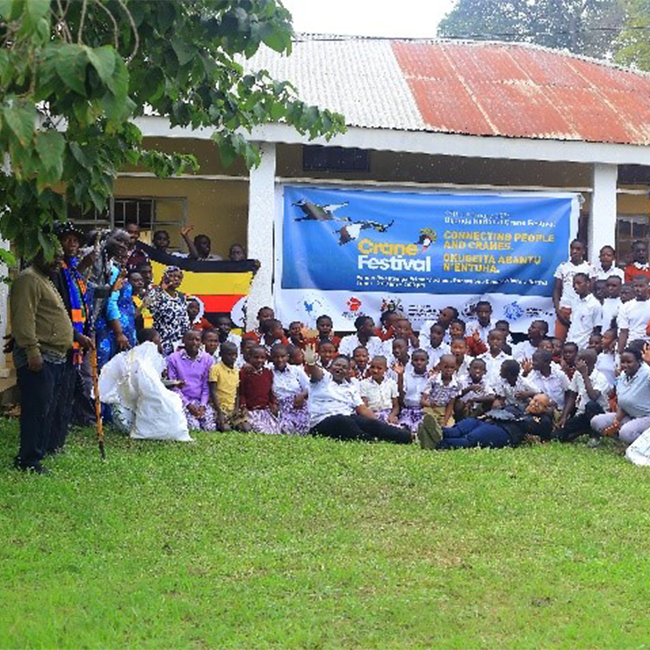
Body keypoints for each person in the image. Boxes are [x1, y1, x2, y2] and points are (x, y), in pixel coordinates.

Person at [10, 249, 74, 473]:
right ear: (38, 253)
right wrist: (31, 350)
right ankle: (28, 460)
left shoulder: (45, 279)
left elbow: (48, 318)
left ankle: (38, 452)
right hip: (40, 355)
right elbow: (23, 318)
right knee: (36, 410)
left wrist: (76, 336)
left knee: (46, 409)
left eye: (60, 256)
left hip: (55, 355)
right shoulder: (29, 279)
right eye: (53, 255)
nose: (59, 261)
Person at [98, 328, 192, 442]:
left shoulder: (145, 358)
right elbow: (151, 387)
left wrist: (173, 383)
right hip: (129, 411)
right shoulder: (139, 361)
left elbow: (155, 382)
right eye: (158, 340)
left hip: (129, 411)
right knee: (171, 401)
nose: (160, 343)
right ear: (152, 342)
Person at [304, 349, 413, 444]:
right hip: (321, 423)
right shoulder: (322, 379)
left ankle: (408, 437)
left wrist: (378, 423)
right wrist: (311, 362)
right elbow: (314, 371)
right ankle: (367, 440)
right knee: (343, 420)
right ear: (330, 367)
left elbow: (363, 410)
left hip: (347, 418)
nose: (340, 369)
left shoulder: (350, 388)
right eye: (337, 365)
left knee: (368, 423)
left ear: (348, 371)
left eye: (344, 367)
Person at [51, 223, 95, 433]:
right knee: (59, 387)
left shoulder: (75, 272)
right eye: (67, 239)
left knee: (71, 384)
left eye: (75, 241)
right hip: (62, 336)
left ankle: (63, 427)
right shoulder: (57, 271)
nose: (72, 244)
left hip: (78, 339)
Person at [418, 393, 552, 450]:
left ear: (545, 409)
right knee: (463, 426)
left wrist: (535, 440)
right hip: (488, 421)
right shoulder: (518, 406)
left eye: (540, 405)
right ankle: (436, 432)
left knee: (471, 438)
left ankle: (438, 444)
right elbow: (499, 411)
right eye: (535, 400)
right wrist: (484, 416)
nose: (535, 405)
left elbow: (545, 438)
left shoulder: (543, 420)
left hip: (505, 432)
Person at [591, 346, 650, 444]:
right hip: (629, 415)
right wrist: (617, 420)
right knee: (596, 422)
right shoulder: (623, 376)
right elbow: (623, 402)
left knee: (626, 433)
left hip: (646, 417)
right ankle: (623, 440)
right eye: (623, 362)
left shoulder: (647, 374)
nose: (625, 365)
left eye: (629, 362)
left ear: (639, 361)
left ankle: (643, 448)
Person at [556, 349, 610, 445]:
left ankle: (595, 436)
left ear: (585, 362)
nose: (575, 361)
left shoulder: (600, 377)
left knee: (591, 405)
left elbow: (593, 397)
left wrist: (585, 375)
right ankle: (584, 430)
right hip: (582, 413)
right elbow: (572, 395)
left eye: (578, 359)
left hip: (598, 414)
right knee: (559, 436)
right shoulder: (577, 374)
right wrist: (564, 417)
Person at [167, 330, 216, 431]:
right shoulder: (174, 358)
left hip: (200, 401)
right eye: (190, 339)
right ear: (183, 340)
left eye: (197, 340)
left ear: (201, 342)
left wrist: (202, 405)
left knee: (210, 428)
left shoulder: (207, 359)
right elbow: (173, 385)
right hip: (182, 401)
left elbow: (206, 386)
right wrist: (188, 404)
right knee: (194, 427)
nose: (194, 343)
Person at [553, 239, 596, 341]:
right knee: (559, 342)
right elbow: (556, 290)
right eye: (572, 248)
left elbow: (592, 289)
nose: (574, 251)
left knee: (578, 341)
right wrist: (558, 311)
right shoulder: (563, 267)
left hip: (581, 309)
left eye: (578, 249)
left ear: (583, 251)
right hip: (565, 309)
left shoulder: (589, 268)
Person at [147, 266, 191, 355]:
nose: (176, 279)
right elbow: (148, 307)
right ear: (165, 277)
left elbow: (185, 320)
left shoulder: (181, 297)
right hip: (160, 340)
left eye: (179, 277)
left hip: (178, 343)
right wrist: (161, 288)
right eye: (172, 276)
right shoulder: (155, 292)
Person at [238, 345, 280, 434]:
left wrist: (273, 403)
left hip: (265, 410)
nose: (259, 360)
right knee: (261, 430)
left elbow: (269, 392)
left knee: (275, 431)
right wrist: (243, 406)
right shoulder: (244, 373)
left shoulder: (268, 373)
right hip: (250, 411)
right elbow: (241, 392)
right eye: (256, 357)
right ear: (249, 357)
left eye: (262, 358)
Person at [270, 344, 310, 435]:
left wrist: (302, 395)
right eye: (276, 357)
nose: (280, 360)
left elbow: (310, 387)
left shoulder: (296, 370)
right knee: (284, 428)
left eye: (282, 356)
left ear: (287, 357)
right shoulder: (268, 371)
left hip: (298, 404)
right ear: (271, 358)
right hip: (280, 406)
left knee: (304, 425)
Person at [209, 341, 243, 431]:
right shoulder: (215, 369)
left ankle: (232, 421)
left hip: (232, 408)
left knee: (245, 428)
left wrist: (236, 409)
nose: (233, 357)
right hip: (220, 408)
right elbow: (212, 391)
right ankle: (223, 421)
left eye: (235, 355)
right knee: (225, 428)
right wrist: (219, 412)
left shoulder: (236, 371)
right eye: (229, 355)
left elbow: (237, 392)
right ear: (221, 354)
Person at [395, 348, 430, 432]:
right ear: (411, 362)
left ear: (427, 362)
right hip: (407, 410)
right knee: (403, 428)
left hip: (423, 410)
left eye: (422, 360)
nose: (419, 362)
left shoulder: (431, 378)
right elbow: (401, 394)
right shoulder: (406, 376)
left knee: (421, 427)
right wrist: (400, 377)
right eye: (416, 360)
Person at [566, 272, 602, 350]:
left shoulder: (594, 304)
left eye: (579, 283)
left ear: (588, 283)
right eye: (574, 284)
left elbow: (597, 328)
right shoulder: (575, 301)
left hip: (583, 345)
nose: (575, 286)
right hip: (570, 342)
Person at [421, 354, 460, 426]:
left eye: (452, 368)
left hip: (444, 411)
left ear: (456, 368)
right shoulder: (433, 380)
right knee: (429, 425)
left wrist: (445, 421)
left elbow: (450, 404)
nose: (449, 370)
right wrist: (430, 404)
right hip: (430, 409)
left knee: (449, 426)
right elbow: (423, 400)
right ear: (440, 367)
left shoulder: (456, 384)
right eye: (446, 367)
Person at [359, 356, 400, 424]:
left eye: (379, 368)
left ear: (386, 369)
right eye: (372, 367)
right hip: (372, 414)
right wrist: (373, 416)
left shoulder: (391, 383)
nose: (375, 371)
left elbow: (396, 406)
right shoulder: (364, 384)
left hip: (388, 414)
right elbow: (364, 406)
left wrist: (392, 415)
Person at [618, 275, 650, 353]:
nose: (638, 289)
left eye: (641, 286)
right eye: (635, 286)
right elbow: (623, 331)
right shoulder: (626, 306)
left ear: (648, 287)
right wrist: (620, 352)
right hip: (632, 345)